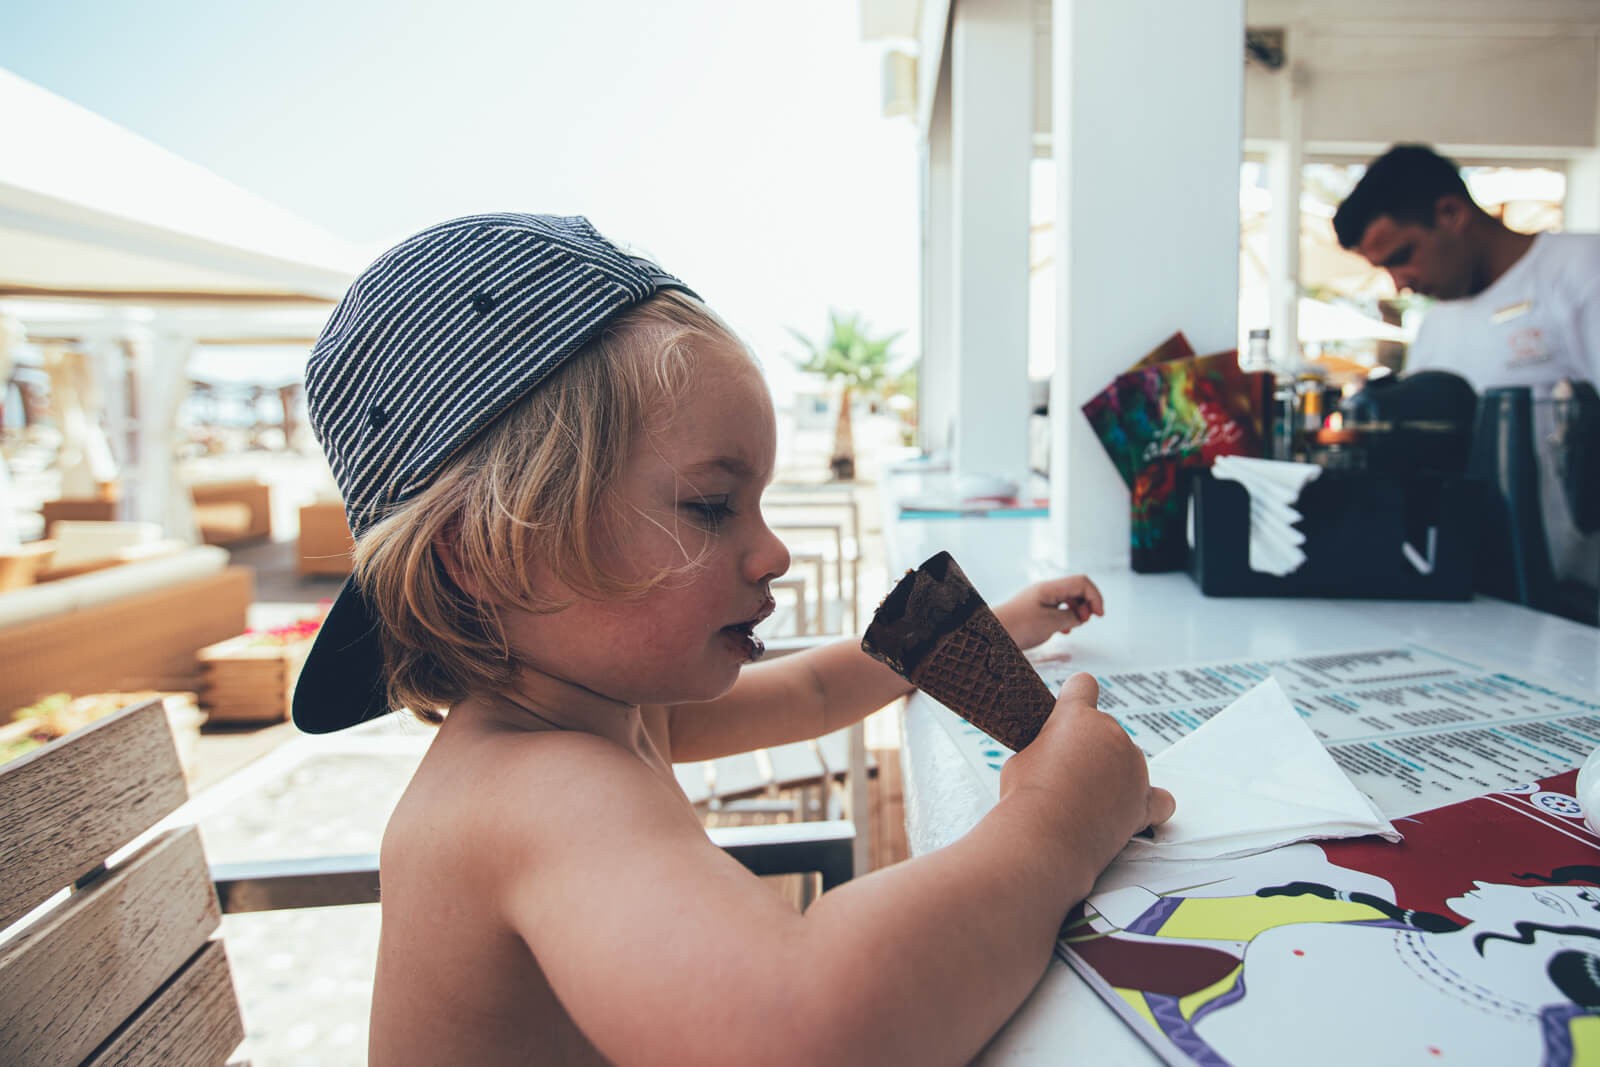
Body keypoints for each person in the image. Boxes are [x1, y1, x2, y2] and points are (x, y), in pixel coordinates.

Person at [289, 213, 1175, 1066]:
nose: (773, 551)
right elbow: (809, 1030)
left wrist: (991, 627)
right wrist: (1059, 821)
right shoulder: (528, 795)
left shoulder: (610, 708)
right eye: (711, 506)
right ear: (489, 552)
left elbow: (814, 692)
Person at [1333, 144, 1600, 603]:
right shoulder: (1436, 323)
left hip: (1578, 593)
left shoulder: (1580, 270)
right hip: (1472, 588)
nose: (1398, 282)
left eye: (1401, 256)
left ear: (1452, 214)